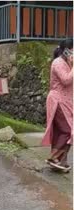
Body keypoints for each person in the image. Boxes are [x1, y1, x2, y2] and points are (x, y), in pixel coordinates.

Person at [42, 39, 73, 172]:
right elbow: (66, 80)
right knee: (67, 130)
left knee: (61, 132)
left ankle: (60, 162)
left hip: (67, 102)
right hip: (58, 101)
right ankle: (54, 157)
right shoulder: (58, 63)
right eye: (72, 49)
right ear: (65, 50)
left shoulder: (68, 63)